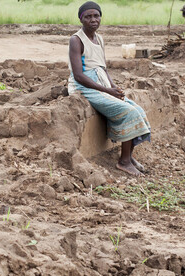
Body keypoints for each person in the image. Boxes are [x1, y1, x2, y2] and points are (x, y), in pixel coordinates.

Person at [68, 1, 152, 176]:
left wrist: (113, 87)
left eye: (96, 16)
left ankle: (129, 155)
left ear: (100, 17)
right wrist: (107, 91)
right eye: (88, 16)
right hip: (84, 87)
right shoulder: (76, 40)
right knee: (129, 112)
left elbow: (103, 68)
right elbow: (78, 76)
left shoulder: (99, 39)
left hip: (101, 82)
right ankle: (124, 162)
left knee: (138, 109)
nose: (93, 19)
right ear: (81, 19)